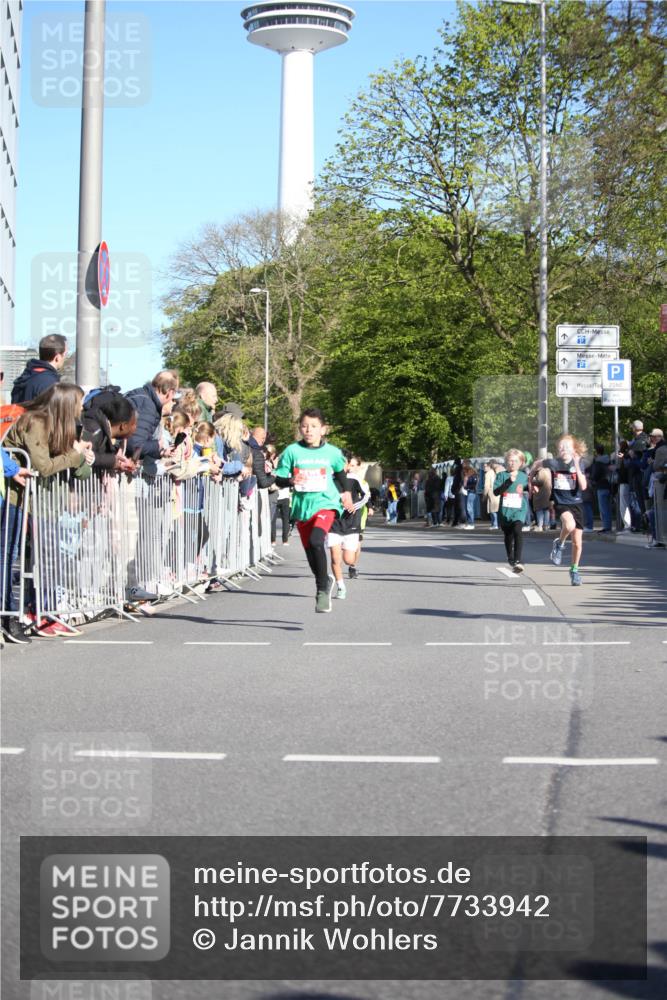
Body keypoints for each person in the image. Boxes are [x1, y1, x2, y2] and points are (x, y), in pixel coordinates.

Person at [2, 384, 94, 639]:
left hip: (27, 499)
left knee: (14, 557)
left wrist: (80, 458)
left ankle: (14, 615)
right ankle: (9, 616)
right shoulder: (36, 421)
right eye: (79, 402)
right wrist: (74, 456)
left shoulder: (52, 425)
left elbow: (62, 463)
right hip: (12, 495)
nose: (82, 407)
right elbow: (43, 466)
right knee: (8, 557)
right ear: (65, 404)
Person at [274, 409, 353, 613]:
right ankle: (323, 577)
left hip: (326, 503)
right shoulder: (292, 451)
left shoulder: (333, 452)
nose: (308, 430)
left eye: (314, 426)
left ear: (323, 430)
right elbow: (278, 478)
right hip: (303, 507)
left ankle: (322, 590)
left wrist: (346, 493)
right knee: (311, 551)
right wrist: (290, 480)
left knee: (318, 541)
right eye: (304, 426)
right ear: (300, 428)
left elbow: (340, 472)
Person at [532, 434, 588, 586]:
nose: (564, 449)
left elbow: (583, 486)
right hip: (561, 503)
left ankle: (574, 570)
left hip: (576, 503)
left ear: (574, 449)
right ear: (557, 449)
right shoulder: (553, 462)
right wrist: (532, 481)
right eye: (561, 447)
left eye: (567, 447)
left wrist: (576, 465)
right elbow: (537, 464)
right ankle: (560, 544)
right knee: (568, 525)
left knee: (577, 543)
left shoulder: (579, 463)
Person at [327, 453, 371, 597]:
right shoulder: (328, 480)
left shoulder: (353, 479)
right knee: (335, 558)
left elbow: (367, 495)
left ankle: (352, 562)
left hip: (351, 523)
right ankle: (340, 586)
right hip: (334, 523)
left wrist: (355, 505)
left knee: (348, 559)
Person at [125, 371, 179, 461]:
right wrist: (157, 445)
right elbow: (134, 445)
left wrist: (161, 452)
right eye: (173, 398)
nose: (172, 401)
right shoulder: (147, 406)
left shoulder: (140, 395)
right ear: (170, 393)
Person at [81, 393, 138, 472]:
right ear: (123, 426)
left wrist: (116, 462)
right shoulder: (95, 429)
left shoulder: (103, 433)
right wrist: (113, 461)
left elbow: (98, 456)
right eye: (134, 424)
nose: (135, 429)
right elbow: (82, 455)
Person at [493, 449, 529, 573]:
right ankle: (510, 557)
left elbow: (530, 487)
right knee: (508, 535)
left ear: (521, 463)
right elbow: (496, 492)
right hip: (505, 511)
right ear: (506, 462)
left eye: (515, 461)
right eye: (509, 461)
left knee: (517, 530)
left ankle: (518, 561)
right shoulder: (501, 475)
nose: (512, 463)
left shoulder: (524, 476)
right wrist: (509, 481)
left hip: (519, 509)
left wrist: (535, 487)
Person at [11, 335, 67, 404]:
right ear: (57, 357)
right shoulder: (50, 384)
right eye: (64, 354)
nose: (64, 358)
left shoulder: (24, 377)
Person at [589, 443, 613, 532]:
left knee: (603, 508)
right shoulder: (608, 460)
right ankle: (608, 525)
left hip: (601, 485)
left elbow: (595, 475)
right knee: (607, 507)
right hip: (609, 485)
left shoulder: (597, 462)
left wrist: (592, 479)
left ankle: (606, 527)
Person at [483, 461, 501, 529]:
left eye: (485, 466)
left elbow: (486, 486)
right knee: (497, 509)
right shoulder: (495, 472)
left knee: (492, 510)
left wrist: (484, 495)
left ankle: (494, 524)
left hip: (491, 493)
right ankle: (498, 524)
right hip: (498, 492)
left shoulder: (488, 473)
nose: (484, 468)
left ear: (489, 466)